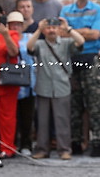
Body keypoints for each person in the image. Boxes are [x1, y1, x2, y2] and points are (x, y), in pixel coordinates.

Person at [60, 0, 100, 157]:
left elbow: (95, 34)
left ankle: (98, 142)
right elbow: (61, 33)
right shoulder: (65, 10)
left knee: (95, 102)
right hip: (71, 58)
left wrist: (71, 31)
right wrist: (81, 32)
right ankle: (76, 142)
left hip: (91, 58)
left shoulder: (97, 9)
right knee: (74, 103)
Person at [28, 17, 84, 160]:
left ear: (59, 29)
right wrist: (38, 29)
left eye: (54, 27)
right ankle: (42, 149)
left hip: (62, 86)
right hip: (43, 86)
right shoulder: (40, 44)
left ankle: (64, 149)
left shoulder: (66, 43)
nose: (51, 30)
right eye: (48, 27)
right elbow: (29, 47)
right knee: (42, 121)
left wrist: (68, 29)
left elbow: (81, 42)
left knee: (62, 120)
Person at [0, 4, 20, 158]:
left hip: (6, 83)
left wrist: (6, 35)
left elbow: (14, 52)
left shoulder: (11, 34)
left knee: (7, 117)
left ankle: (7, 148)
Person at [7, 10, 36, 156]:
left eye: (19, 24)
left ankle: (26, 143)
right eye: (13, 24)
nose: (16, 27)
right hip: (9, 81)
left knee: (27, 115)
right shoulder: (4, 38)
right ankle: (12, 143)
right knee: (12, 116)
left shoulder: (29, 37)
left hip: (27, 81)